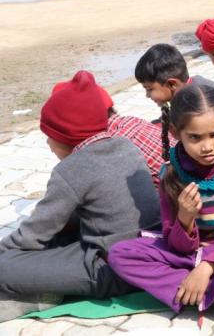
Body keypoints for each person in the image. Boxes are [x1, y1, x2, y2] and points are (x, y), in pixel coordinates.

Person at [0, 71, 160, 321]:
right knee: (57, 238)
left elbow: (32, 236)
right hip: (151, 255)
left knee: (5, 266)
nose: (48, 144)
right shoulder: (125, 146)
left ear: (65, 137)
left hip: (114, 272)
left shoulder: (71, 169)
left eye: (49, 137)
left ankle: (46, 294)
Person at [108, 85, 214, 329]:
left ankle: (195, 286)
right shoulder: (171, 172)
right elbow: (176, 244)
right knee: (120, 255)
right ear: (176, 132)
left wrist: (207, 267)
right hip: (189, 253)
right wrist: (185, 218)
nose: (208, 146)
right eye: (195, 137)